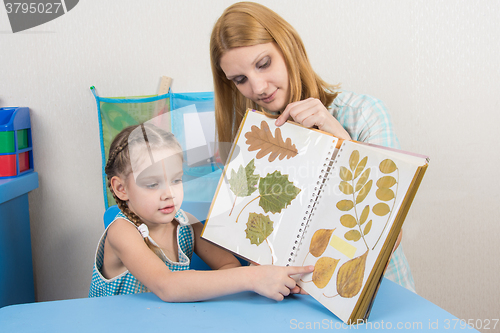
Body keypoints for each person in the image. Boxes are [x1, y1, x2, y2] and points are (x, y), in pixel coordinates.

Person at [210, 1, 415, 292]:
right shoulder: (250, 138)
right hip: (290, 302)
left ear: (288, 47)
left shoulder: (363, 113)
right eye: (240, 79)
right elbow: (252, 246)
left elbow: (389, 239)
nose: (258, 88)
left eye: (263, 64)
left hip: (376, 298)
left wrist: (342, 142)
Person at [89, 122, 313, 301]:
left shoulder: (186, 224)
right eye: (152, 184)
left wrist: (261, 273)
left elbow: (229, 266)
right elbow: (167, 286)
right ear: (121, 188)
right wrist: (253, 277)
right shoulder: (122, 232)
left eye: (176, 180)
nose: (169, 193)